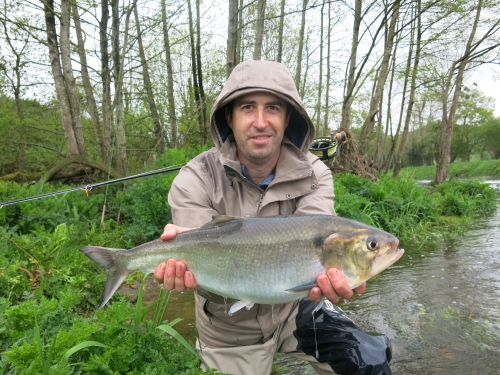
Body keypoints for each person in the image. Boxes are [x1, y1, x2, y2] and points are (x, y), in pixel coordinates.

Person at [154, 60, 392, 375]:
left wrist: (336, 278)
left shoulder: (314, 173)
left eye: (273, 108)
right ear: (230, 116)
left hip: (299, 307)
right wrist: (180, 263)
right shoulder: (195, 178)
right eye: (248, 108)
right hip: (230, 327)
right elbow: (196, 260)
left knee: (370, 363)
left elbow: (318, 237)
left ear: (287, 117)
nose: (261, 122)